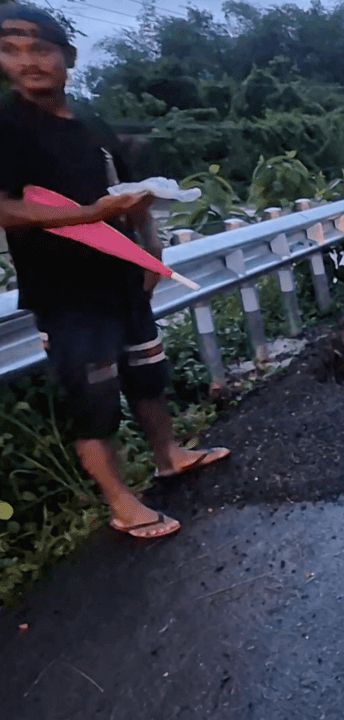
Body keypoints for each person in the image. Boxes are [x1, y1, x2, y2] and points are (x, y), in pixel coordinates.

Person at [0, 4, 229, 539]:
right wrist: (88, 216)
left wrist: (152, 251)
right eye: (12, 50)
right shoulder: (7, 127)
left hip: (123, 279)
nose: (29, 61)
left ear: (68, 57)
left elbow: (129, 196)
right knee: (94, 396)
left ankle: (169, 455)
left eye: (41, 48)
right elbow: (6, 208)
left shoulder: (92, 124)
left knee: (148, 375)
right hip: (66, 292)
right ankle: (122, 503)